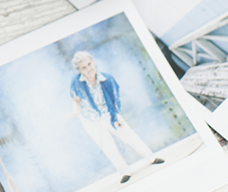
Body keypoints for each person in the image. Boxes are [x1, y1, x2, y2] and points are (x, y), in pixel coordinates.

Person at [69, 51, 164, 183]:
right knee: (108, 146)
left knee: (129, 135)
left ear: (94, 62)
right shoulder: (76, 82)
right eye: (84, 67)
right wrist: (75, 111)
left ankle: (151, 158)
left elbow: (114, 100)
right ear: (80, 70)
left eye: (89, 64)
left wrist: (115, 118)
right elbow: (75, 99)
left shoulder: (106, 79)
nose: (88, 68)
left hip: (109, 114)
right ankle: (124, 171)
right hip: (90, 120)